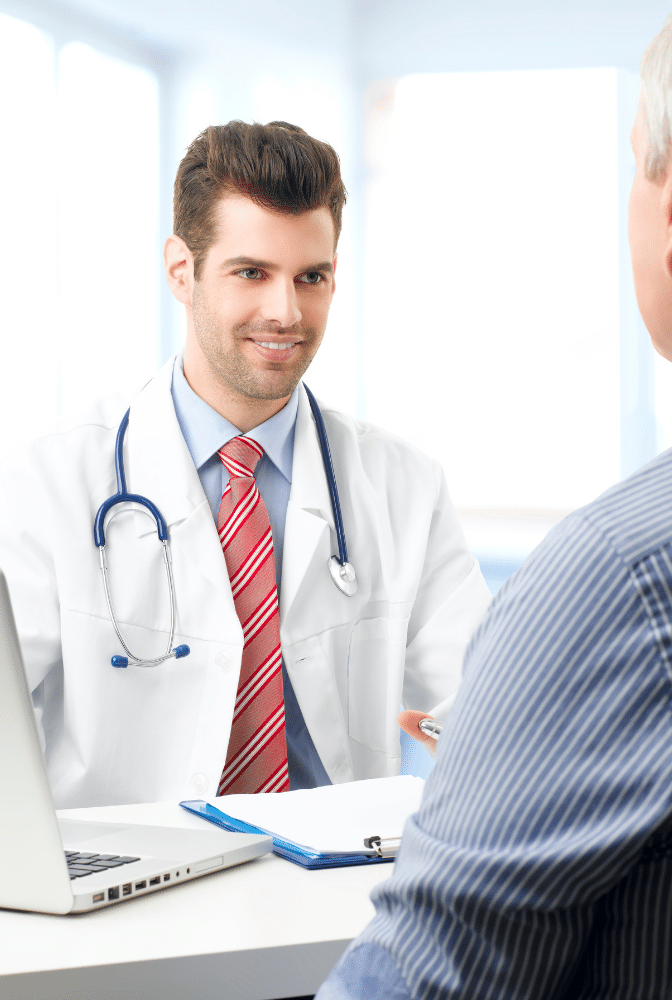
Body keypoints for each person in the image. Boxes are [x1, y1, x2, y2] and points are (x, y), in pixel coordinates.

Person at [0, 121, 491, 808]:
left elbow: (481, 711)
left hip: (334, 888)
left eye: (312, 277)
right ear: (182, 271)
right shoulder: (51, 481)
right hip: (127, 889)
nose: (286, 312)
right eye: (252, 273)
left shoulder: (402, 485)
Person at [315, 17, 672, 1000]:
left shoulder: (621, 572)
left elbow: (419, 972)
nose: (285, 310)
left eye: (310, 276)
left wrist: (516, 716)